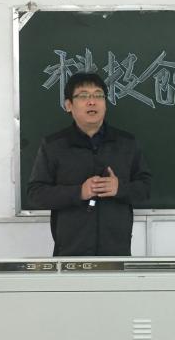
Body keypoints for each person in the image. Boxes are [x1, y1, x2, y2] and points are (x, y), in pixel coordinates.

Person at [27, 72, 151, 256]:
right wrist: (79, 192)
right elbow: (35, 194)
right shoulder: (54, 146)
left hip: (116, 253)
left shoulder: (126, 143)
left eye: (98, 95)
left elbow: (146, 188)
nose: (92, 102)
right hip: (70, 253)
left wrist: (120, 188)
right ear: (69, 105)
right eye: (83, 96)